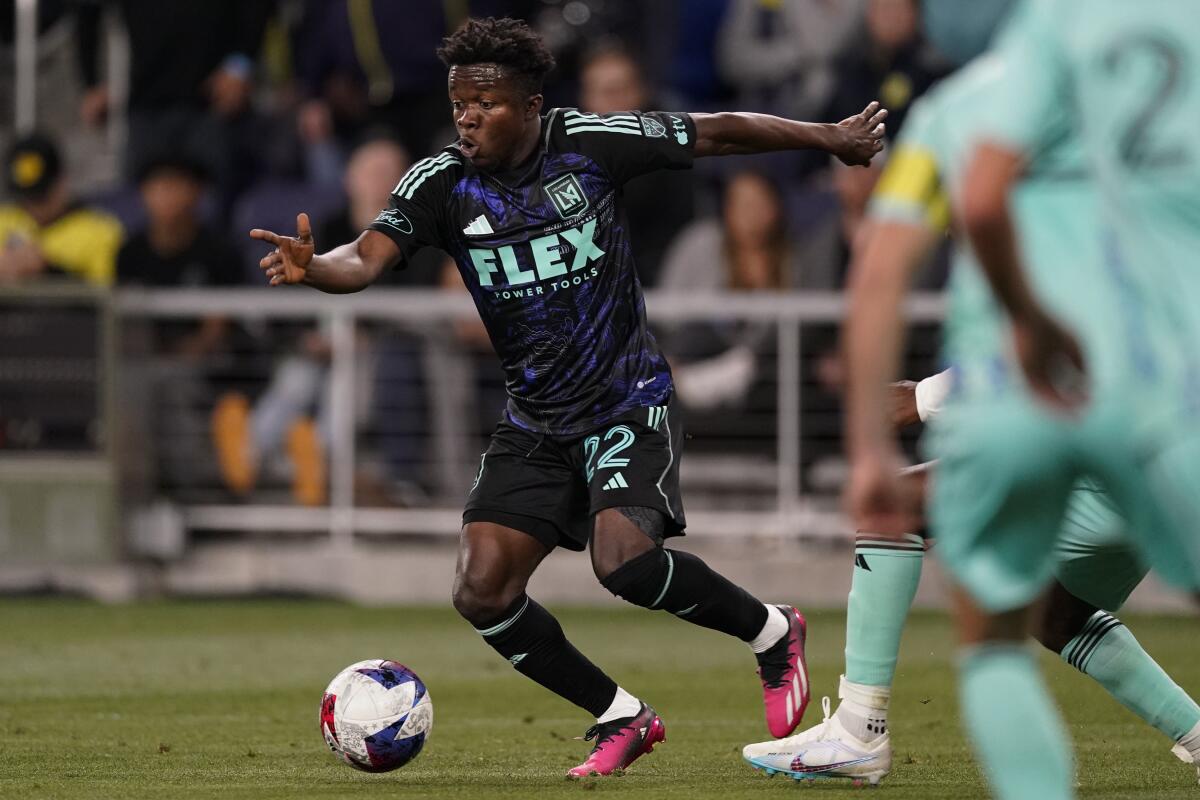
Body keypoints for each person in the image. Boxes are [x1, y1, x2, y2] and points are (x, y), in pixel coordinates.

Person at [249, 17, 886, 777]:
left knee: (625, 565)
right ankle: (622, 716)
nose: (469, 118)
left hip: (626, 401)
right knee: (481, 591)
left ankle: (772, 632)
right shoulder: (442, 183)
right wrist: (316, 266)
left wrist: (830, 137)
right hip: (536, 421)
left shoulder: (587, 143)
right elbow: (366, 257)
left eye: (485, 102)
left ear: (531, 104)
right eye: (460, 104)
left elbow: (716, 132)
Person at [840, 2, 1200, 797]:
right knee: (1045, 605)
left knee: (1003, 624)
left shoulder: (955, 109)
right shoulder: (1175, 76)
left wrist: (878, 438)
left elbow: (888, 267)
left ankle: (860, 727)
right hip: (1168, 395)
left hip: (1024, 399)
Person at [0, 133, 123, 287]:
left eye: (40, 197)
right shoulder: (4, 219)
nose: (33, 208)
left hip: (64, 310)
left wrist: (48, 271)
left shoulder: (100, 232)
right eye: (26, 198)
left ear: (62, 182)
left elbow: (104, 301)